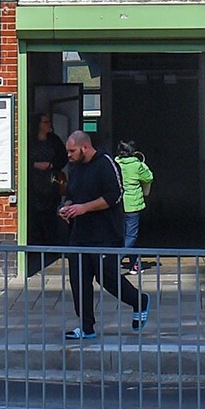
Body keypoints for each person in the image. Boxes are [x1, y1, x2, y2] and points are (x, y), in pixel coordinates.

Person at [58, 130, 147, 340]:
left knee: (107, 278)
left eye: (72, 151)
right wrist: (67, 208)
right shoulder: (75, 168)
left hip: (106, 233)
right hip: (80, 235)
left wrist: (84, 208)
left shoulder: (106, 163)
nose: (68, 155)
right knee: (79, 280)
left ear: (85, 147)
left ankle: (139, 301)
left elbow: (114, 196)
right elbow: (71, 196)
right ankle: (86, 326)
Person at [25, 113, 68, 275]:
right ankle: (37, 246)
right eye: (45, 121)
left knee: (51, 215)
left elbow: (63, 158)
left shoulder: (54, 140)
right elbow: (22, 159)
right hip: (34, 183)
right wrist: (35, 165)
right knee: (36, 216)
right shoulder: (30, 141)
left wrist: (51, 165)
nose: (49, 124)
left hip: (51, 182)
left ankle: (51, 247)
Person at [113, 142, 153, 274]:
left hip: (118, 204)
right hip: (133, 204)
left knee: (124, 234)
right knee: (131, 235)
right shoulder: (136, 165)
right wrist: (143, 163)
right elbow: (149, 177)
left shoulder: (115, 163)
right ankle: (116, 258)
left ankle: (134, 264)